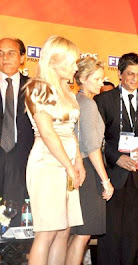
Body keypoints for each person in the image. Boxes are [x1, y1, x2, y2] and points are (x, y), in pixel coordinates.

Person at [94, 52, 138, 265]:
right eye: (130, 74)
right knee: (110, 231)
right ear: (120, 74)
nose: (134, 79)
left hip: (136, 174)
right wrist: (116, 158)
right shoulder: (103, 100)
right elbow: (95, 139)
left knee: (132, 231)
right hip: (110, 174)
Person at [24, 36, 85, 265]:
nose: (76, 67)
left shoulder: (66, 89)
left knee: (64, 230)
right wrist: (70, 167)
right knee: (47, 231)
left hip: (68, 164)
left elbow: (71, 132)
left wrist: (77, 162)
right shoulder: (37, 88)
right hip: (47, 164)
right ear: (53, 62)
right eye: (71, 62)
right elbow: (48, 133)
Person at [66, 57, 114, 265]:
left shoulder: (75, 100)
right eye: (97, 78)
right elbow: (92, 147)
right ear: (83, 79)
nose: (101, 83)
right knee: (82, 235)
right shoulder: (88, 105)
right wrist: (105, 180)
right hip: (88, 170)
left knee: (72, 234)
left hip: (77, 168)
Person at [0, 38, 34, 227]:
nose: (5, 58)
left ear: (22, 57)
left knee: (18, 220)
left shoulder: (34, 87)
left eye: (11, 53)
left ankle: (16, 256)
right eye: (0, 53)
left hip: (23, 159)